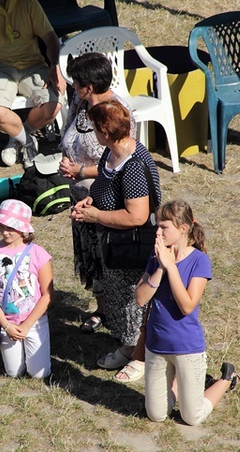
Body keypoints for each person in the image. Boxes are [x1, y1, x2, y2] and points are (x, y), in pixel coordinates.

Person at [71, 100, 161, 376]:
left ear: (105, 133)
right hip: (114, 243)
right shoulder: (113, 153)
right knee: (119, 296)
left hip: (133, 245)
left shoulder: (133, 165)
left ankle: (137, 355)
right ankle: (127, 345)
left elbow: (137, 216)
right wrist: (91, 199)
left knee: (133, 300)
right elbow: (105, 183)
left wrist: (95, 216)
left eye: (95, 129)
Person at [135, 200, 240, 426]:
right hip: (156, 346)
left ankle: (226, 378)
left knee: (191, 417)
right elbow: (140, 298)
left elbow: (187, 306)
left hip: (187, 348)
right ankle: (179, 383)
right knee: (156, 415)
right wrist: (161, 268)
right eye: (158, 225)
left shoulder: (199, 261)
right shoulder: (156, 257)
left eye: (164, 227)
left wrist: (171, 267)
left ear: (183, 229)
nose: (158, 231)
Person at [58, 52, 136, 337]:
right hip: (79, 194)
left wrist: (80, 170)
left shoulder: (118, 112)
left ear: (88, 87)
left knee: (108, 259)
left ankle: (119, 318)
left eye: (77, 83)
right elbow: (68, 136)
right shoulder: (79, 103)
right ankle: (102, 309)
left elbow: (122, 162)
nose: (73, 87)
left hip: (105, 199)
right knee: (91, 256)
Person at [0, 0, 65, 168]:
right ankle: (28, 142)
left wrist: (55, 65)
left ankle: (17, 136)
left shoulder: (29, 3)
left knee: (54, 105)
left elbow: (50, 37)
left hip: (32, 65)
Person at [0, 200, 53, 378]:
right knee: (13, 372)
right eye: (1, 226)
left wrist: (27, 325)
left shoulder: (38, 253)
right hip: (7, 322)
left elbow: (48, 295)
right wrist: (6, 325)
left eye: (10, 227)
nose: (5, 231)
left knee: (39, 374)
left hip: (35, 321)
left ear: (24, 229)